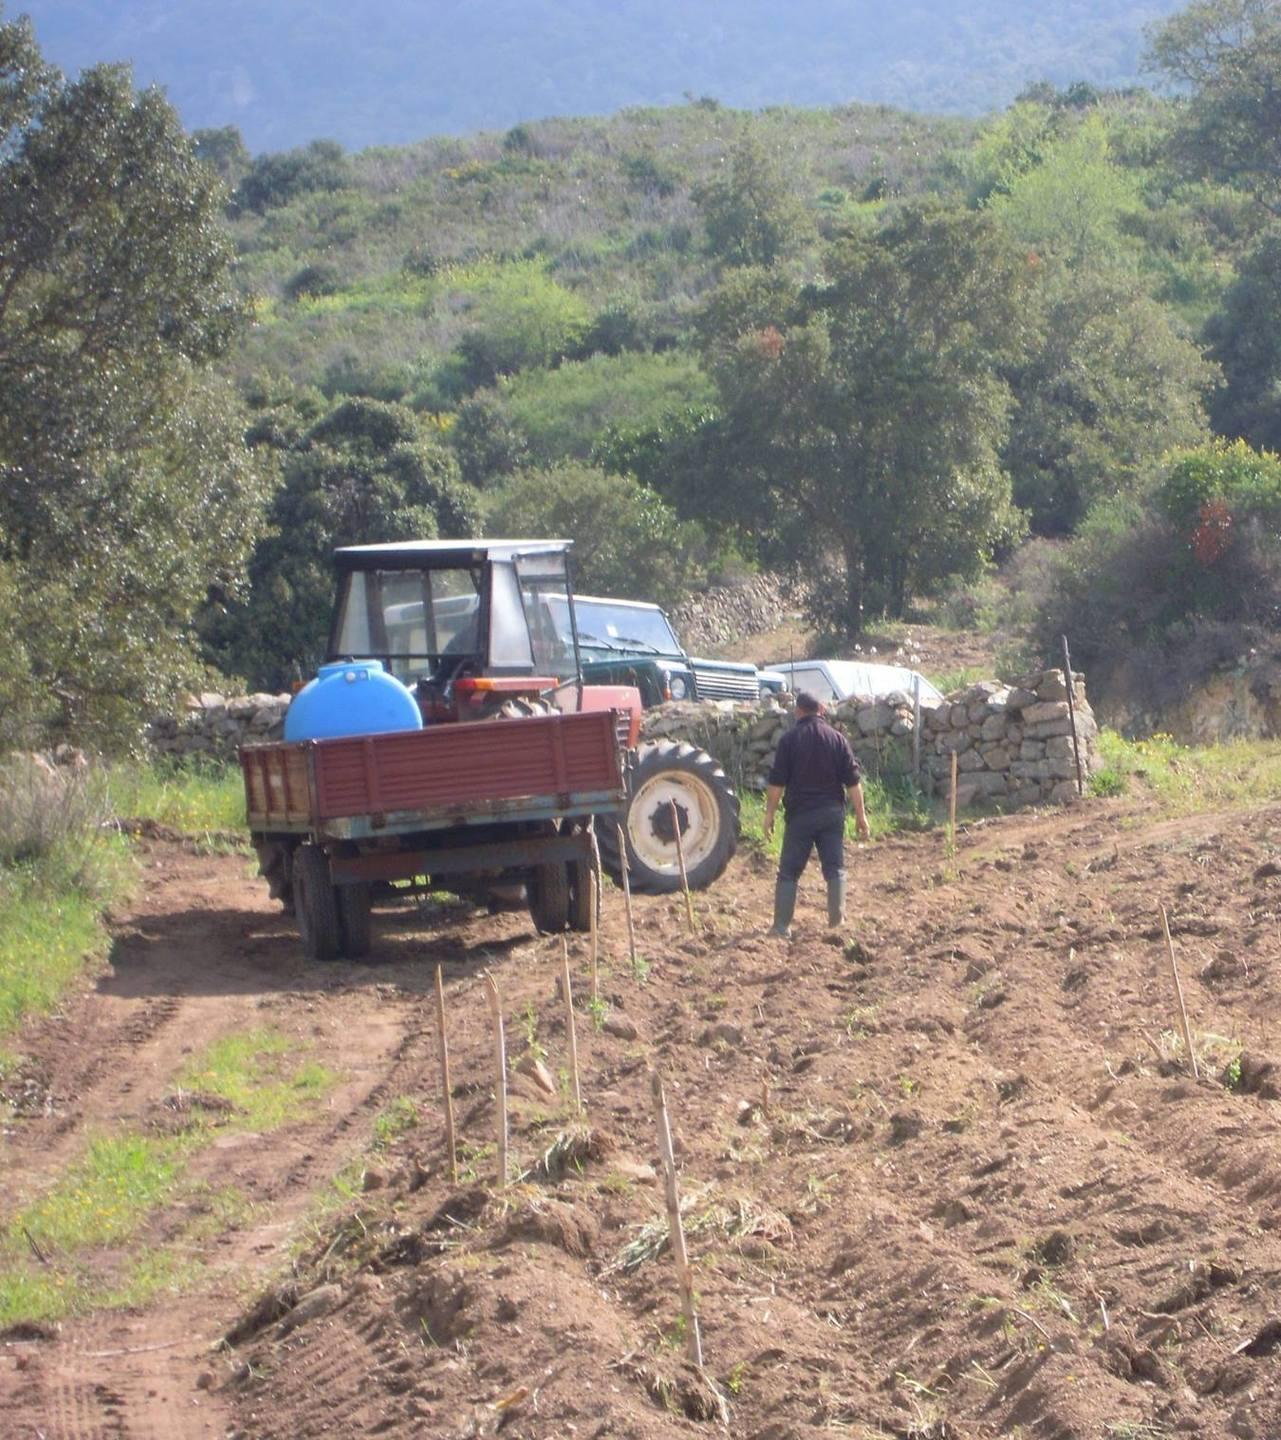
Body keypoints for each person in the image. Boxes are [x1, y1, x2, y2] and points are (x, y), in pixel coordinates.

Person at [763, 691, 870, 937]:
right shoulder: (837, 739)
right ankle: (837, 924)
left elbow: (777, 782)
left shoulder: (789, 740)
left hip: (800, 815)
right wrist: (861, 816)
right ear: (821, 710)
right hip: (832, 814)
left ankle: (781, 927)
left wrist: (769, 814)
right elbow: (853, 782)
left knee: (789, 871)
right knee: (835, 868)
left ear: (798, 711)